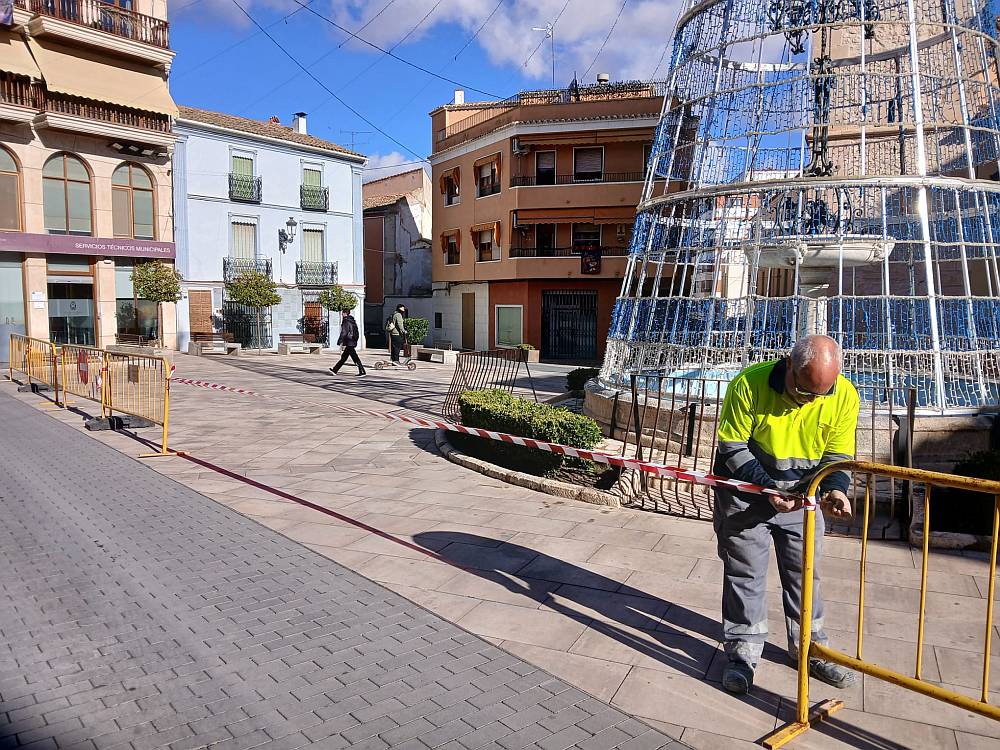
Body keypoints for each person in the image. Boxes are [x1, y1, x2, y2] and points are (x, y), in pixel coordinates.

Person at [713, 334, 858, 695]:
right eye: (805, 390)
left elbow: (837, 455)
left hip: (802, 502)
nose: (811, 401)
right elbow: (732, 447)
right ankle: (743, 654)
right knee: (745, 575)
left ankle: (809, 649)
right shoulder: (749, 384)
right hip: (745, 497)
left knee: (805, 574)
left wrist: (836, 488)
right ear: (789, 365)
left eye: (819, 395)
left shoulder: (844, 395)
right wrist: (768, 488)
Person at [329, 310, 366, 377]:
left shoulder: (346, 321)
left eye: (342, 313)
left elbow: (344, 332)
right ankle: (335, 370)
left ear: (345, 313)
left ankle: (362, 371)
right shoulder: (352, 320)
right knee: (344, 357)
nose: (341, 314)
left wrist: (340, 340)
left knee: (354, 357)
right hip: (352, 340)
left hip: (349, 341)